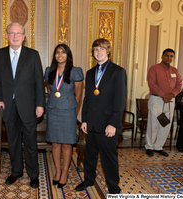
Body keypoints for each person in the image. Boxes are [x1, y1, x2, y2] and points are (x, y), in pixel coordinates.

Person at [0, 23, 45, 188]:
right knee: (13, 141)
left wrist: (40, 105)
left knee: (30, 141)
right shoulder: (0, 55)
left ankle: (33, 174)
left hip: (28, 105)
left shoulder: (33, 55)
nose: (15, 36)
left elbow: (38, 82)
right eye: (11, 33)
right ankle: (16, 172)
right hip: (7, 106)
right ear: (7, 36)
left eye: (18, 33)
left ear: (23, 36)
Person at [74, 38, 127, 194]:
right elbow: (88, 98)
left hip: (108, 124)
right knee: (89, 156)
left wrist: (114, 124)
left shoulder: (118, 72)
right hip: (91, 123)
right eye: (96, 49)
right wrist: (84, 120)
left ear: (108, 51)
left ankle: (113, 188)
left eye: (102, 49)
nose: (98, 52)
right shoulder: (90, 73)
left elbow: (120, 101)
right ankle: (89, 180)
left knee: (108, 159)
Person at [44, 44, 84, 188]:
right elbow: (49, 89)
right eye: (57, 52)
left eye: (63, 52)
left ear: (68, 54)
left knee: (67, 144)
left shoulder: (75, 71)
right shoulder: (49, 70)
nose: (60, 54)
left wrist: (72, 107)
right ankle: (58, 171)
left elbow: (78, 94)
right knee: (55, 143)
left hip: (68, 111)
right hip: (53, 109)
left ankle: (65, 172)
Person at [145, 48, 182, 157]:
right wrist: (163, 95)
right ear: (162, 56)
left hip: (170, 100)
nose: (169, 58)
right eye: (167, 55)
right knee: (154, 123)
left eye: (171, 56)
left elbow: (179, 85)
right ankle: (149, 146)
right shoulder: (154, 68)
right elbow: (152, 84)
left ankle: (159, 146)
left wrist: (172, 95)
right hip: (157, 99)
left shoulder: (175, 70)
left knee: (166, 123)